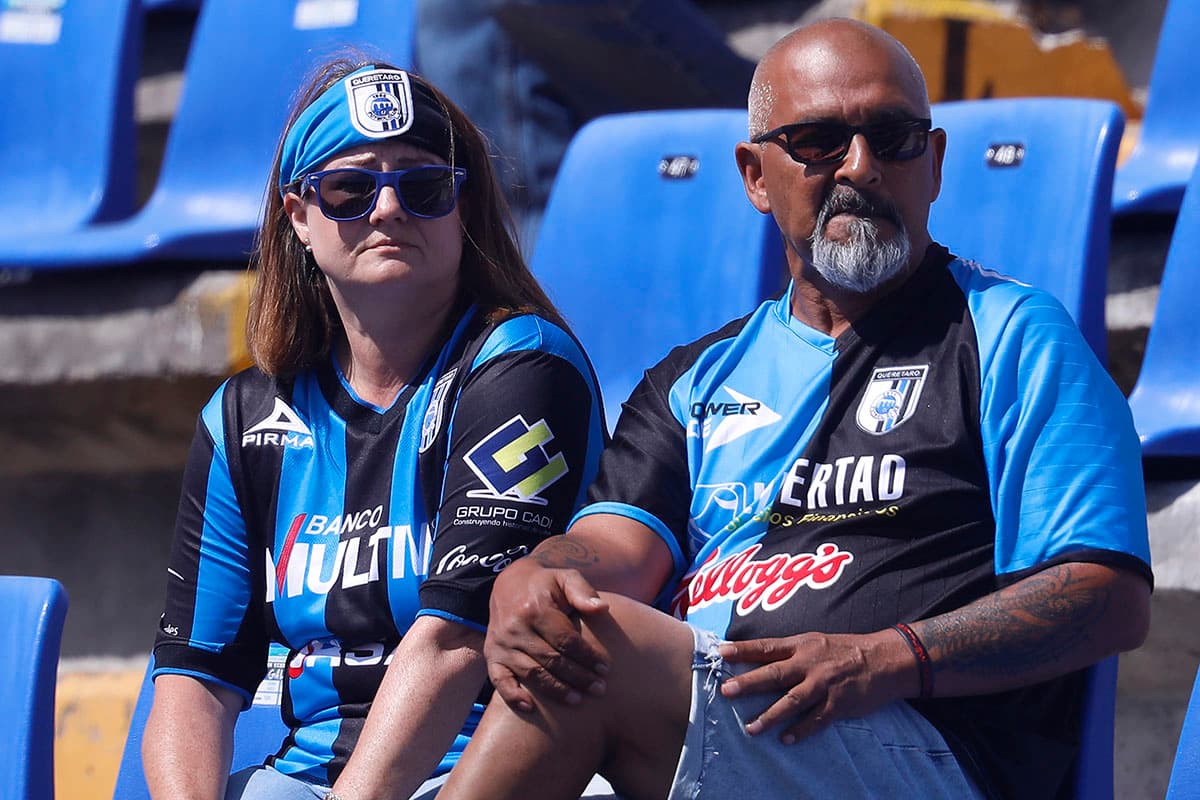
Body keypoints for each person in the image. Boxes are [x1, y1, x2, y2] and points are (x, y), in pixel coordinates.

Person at [436, 18, 1153, 800]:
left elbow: (1106, 596)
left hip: (927, 753)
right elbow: (609, 551)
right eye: (817, 140)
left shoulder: (1014, 335)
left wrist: (886, 658)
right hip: (714, 733)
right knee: (563, 631)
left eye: (894, 137)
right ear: (753, 175)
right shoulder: (697, 378)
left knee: (597, 661)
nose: (862, 166)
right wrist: (532, 577)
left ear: (936, 163)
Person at [141, 56, 607, 800]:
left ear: (461, 208)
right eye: (351, 190)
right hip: (304, 776)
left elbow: (456, 642)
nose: (387, 210)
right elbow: (196, 678)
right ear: (299, 215)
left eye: (422, 188)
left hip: (485, 768)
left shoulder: (523, 368)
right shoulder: (241, 418)